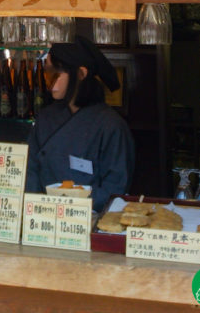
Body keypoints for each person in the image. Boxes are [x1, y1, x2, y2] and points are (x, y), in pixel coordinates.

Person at [25, 36, 135, 212]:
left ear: (81, 74)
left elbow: (115, 188)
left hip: (89, 222)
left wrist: (72, 206)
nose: (50, 81)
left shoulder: (111, 126)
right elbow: (30, 170)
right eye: (47, 73)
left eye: (56, 73)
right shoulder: (45, 118)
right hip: (42, 218)